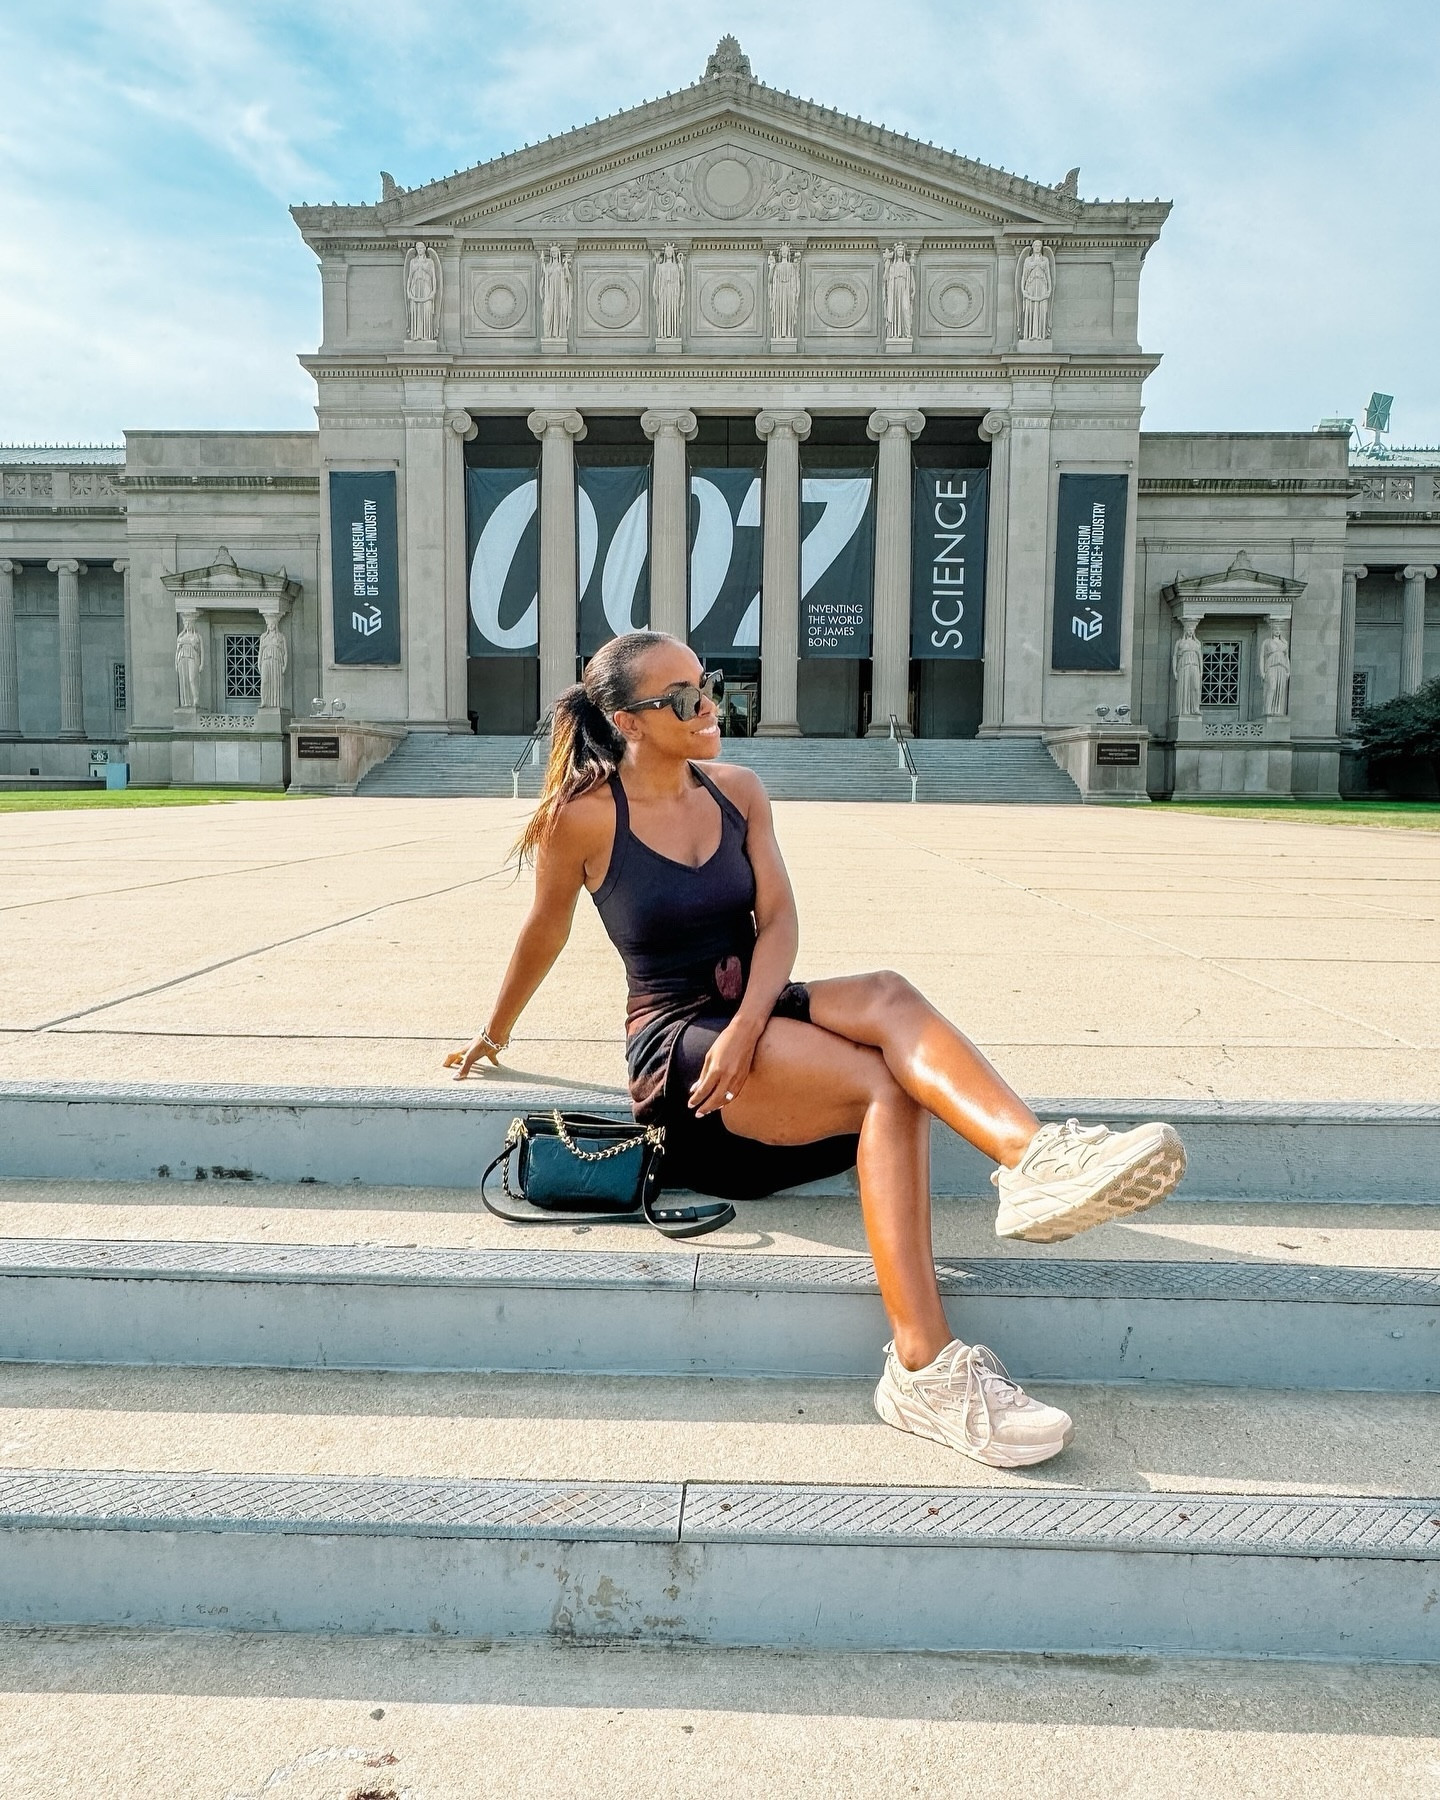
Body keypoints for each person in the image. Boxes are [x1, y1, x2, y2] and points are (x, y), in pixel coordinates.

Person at [447, 631, 1186, 1469]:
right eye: (684, 697)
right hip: (685, 1063)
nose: (709, 706)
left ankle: (1036, 1159)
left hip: (748, 1017)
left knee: (887, 992)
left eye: (708, 684)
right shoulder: (581, 820)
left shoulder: (738, 793)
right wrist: (494, 1032)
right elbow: (540, 935)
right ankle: (922, 1369)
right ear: (630, 721)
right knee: (884, 1086)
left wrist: (753, 1021)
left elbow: (781, 922)